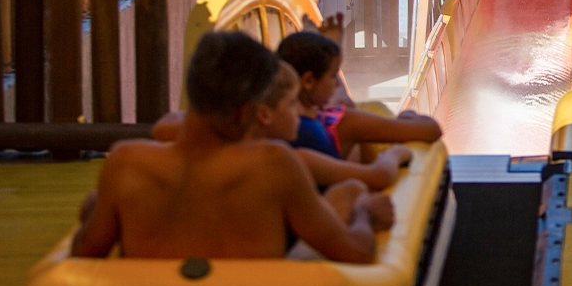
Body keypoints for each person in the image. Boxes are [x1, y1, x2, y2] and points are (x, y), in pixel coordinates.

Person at [71, 32, 393, 263]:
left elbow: (83, 254)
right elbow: (357, 253)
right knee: (350, 194)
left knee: (92, 205)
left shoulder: (126, 162)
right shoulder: (274, 164)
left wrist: (97, 214)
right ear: (246, 111)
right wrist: (364, 214)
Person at [152, 60, 410, 194]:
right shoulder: (290, 162)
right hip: (287, 278)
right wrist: (395, 154)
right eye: (290, 104)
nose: (296, 112)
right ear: (264, 114)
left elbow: (163, 128)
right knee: (349, 193)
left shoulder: (212, 154)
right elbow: (378, 177)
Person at [276, 32, 441, 160]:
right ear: (308, 81)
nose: (336, 84)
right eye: (334, 76)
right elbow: (431, 129)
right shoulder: (341, 121)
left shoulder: (276, 127)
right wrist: (407, 115)